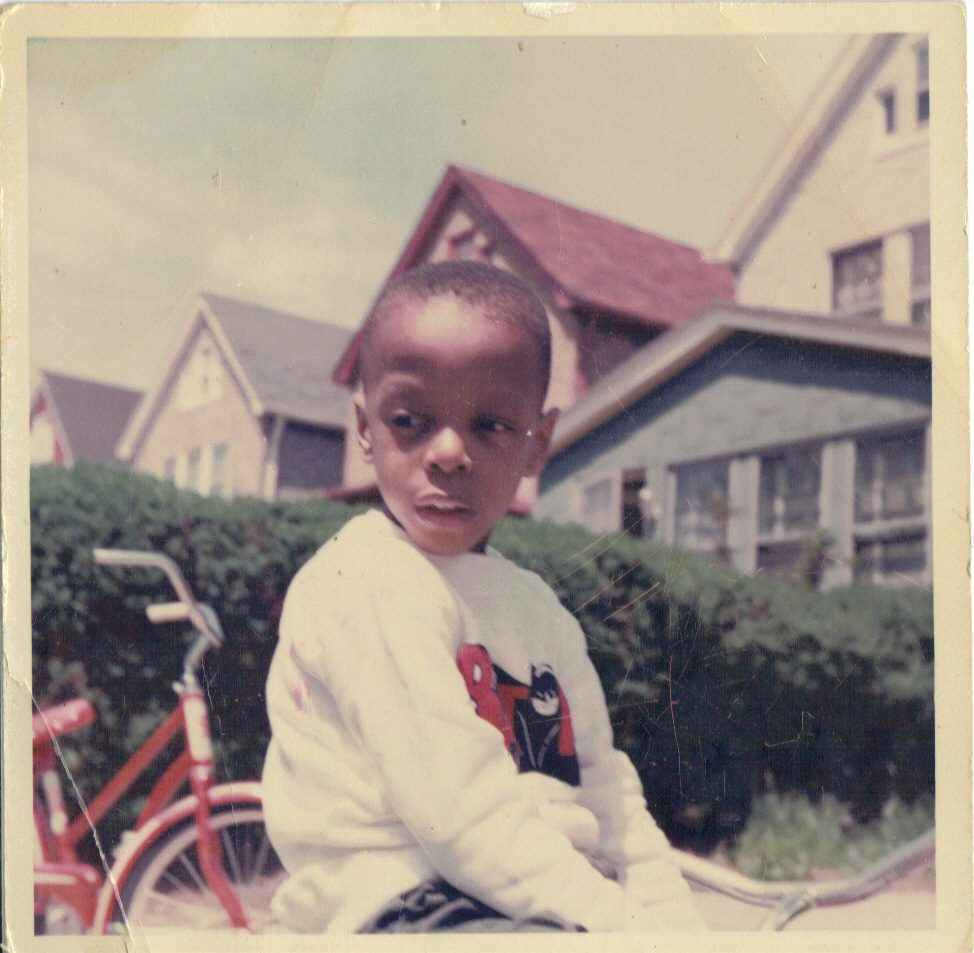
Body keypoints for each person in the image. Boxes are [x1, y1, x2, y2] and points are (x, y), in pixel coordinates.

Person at [261, 260, 706, 933]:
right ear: (365, 428)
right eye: (410, 419)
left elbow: (606, 791)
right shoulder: (366, 583)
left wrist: (676, 927)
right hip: (399, 902)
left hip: (523, 894)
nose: (448, 452)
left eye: (491, 425)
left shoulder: (537, 608)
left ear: (538, 443)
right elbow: (461, 819)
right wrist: (625, 930)